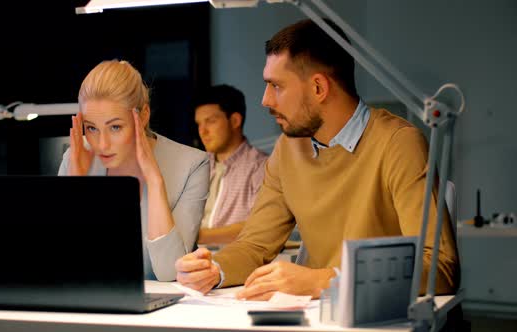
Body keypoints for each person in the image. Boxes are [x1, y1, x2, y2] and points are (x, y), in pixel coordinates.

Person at [175, 18, 459, 299]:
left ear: (319, 88)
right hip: (314, 317)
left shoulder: (399, 143)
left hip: (376, 319)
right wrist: (214, 269)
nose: (265, 100)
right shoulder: (288, 149)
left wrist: (321, 280)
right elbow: (255, 245)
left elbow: (440, 267)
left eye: (276, 86)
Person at [58, 59, 209, 281]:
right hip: (94, 304)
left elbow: (170, 272)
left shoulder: (192, 164)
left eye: (115, 127)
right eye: (91, 128)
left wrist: (155, 181)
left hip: (164, 311)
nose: (102, 144)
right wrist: (78, 190)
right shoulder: (76, 157)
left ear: (144, 115)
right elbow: (65, 267)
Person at [193, 84, 268, 245]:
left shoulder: (260, 167)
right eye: (199, 124)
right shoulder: (197, 166)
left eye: (210, 121)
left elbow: (261, 227)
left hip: (234, 261)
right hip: (190, 260)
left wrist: (196, 236)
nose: (202, 131)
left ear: (234, 121)